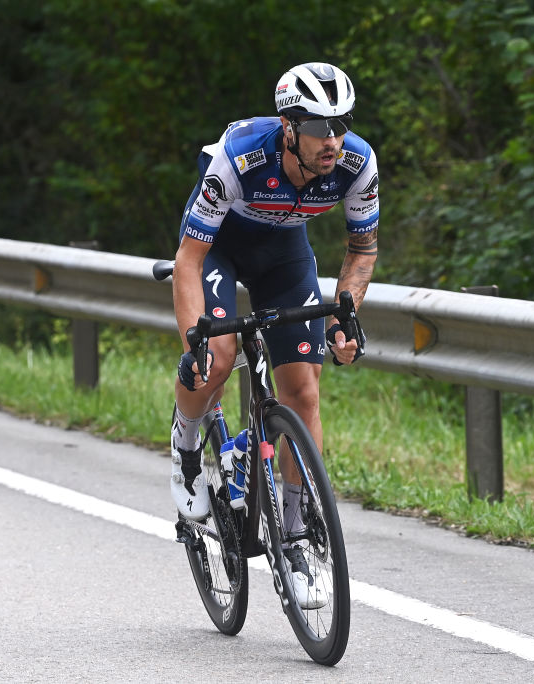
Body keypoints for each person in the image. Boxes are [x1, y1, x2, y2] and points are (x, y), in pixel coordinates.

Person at [170, 62, 378, 599]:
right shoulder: (239, 158)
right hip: (219, 246)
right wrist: (196, 335)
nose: (332, 139)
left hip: (285, 253)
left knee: (303, 391)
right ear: (289, 127)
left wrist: (346, 314)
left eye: (341, 124)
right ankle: (188, 448)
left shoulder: (356, 163)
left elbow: (362, 250)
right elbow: (189, 261)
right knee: (216, 356)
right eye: (318, 128)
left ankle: (295, 534)